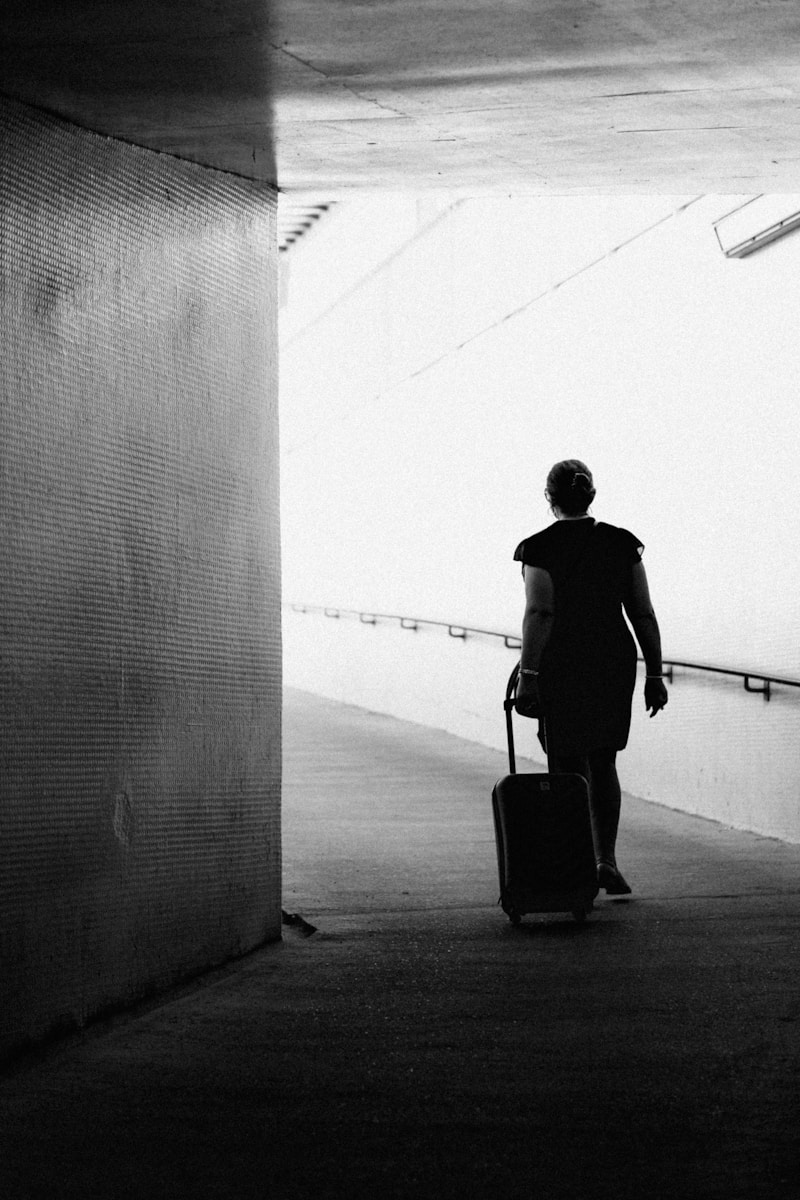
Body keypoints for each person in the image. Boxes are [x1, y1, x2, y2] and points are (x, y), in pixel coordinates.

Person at [513, 459, 668, 895]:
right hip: (612, 661)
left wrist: (529, 674)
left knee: (565, 764)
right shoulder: (621, 544)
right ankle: (606, 859)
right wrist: (654, 673)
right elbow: (643, 612)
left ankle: (575, 863)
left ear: (549, 499)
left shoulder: (538, 549)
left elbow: (540, 612)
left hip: (563, 662)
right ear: (591, 496)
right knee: (604, 760)